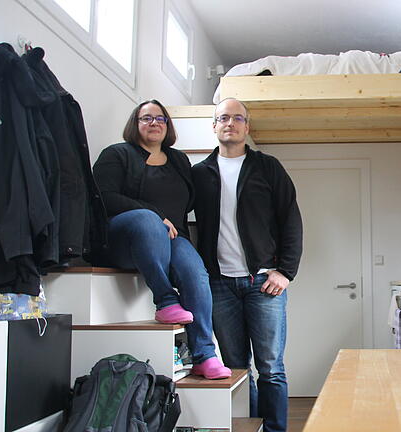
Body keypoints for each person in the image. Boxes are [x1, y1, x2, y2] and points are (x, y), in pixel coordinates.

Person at [93, 100, 231, 379]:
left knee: (195, 272)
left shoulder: (179, 160)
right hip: (123, 239)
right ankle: (166, 300)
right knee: (146, 220)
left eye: (160, 118)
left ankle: (204, 355)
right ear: (136, 123)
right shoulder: (117, 154)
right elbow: (102, 197)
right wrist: (156, 215)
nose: (154, 123)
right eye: (146, 118)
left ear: (168, 125)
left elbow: (190, 200)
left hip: (170, 237)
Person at [192, 98, 303, 432]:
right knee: (236, 367)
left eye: (237, 118)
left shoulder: (267, 167)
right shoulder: (198, 174)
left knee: (270, 367)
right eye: (223, 118)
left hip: (263, 283)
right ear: (214, 126)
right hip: (219, 285)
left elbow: (291, 220)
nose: (230, 123)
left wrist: (286, 271)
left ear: (247, 127)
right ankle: (248, 427)